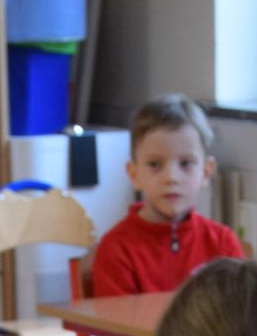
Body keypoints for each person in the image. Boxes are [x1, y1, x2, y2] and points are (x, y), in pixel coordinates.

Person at [92, 94, 245, 298]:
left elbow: (238, 312)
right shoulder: (116, 249)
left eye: (185, 163)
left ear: (206, 172)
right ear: (134, 174)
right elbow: (114, 318)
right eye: (155, 164)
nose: (171, 178)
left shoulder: (222, 242)